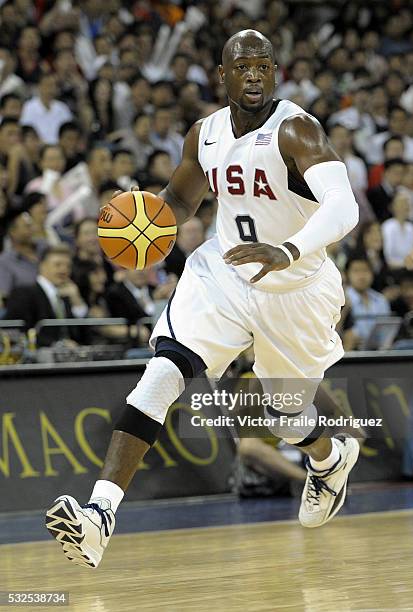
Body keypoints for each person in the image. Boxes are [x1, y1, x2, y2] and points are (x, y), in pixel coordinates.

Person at [46, 29, 360, 569]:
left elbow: (344, 206)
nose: (255, 74)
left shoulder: (296, 130)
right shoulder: (205, 134)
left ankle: (331, 459)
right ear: (223, 76)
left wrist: (287, 249)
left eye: (264, 65)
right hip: (226, 272)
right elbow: (180, 200)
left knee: (284, 416)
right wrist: (142, 223)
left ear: (276, 73)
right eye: (244, 66)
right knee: (164, 372)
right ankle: (100, 515)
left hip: (297, 289)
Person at [4, 244, 87, 347]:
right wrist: (57, 344)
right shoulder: (23, 293)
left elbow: (82, 335)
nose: (64, 270)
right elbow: (16, 331)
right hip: (38, 357)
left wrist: (77, 301)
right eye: (58, 265)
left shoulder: (68, 295)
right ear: (42, 266)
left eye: (68, 266)